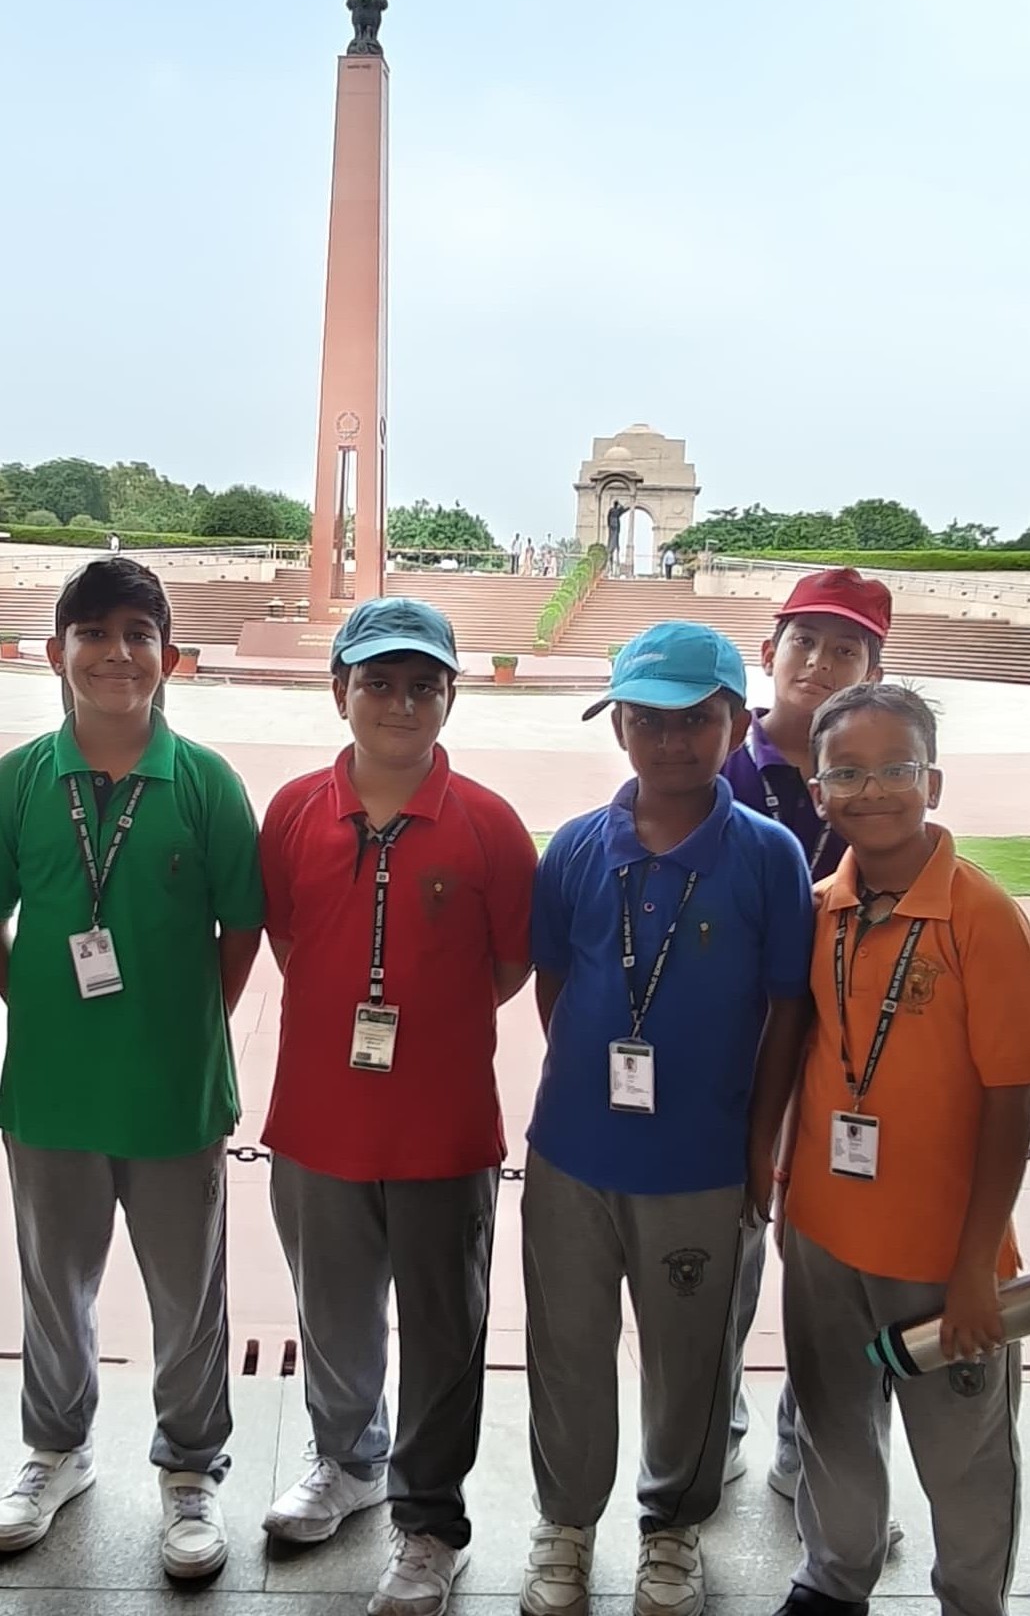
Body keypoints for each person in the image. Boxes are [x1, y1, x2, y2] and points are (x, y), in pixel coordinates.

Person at [519, 623, 814, 1616]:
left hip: (700, 1159)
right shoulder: (572, 847)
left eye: (697, 719)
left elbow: (785, 1012)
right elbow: (557, 990)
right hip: (572, 1151)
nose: (671, 739)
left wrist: (758, 1144)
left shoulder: (768, 856)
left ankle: (670, 1525)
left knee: (688, 1356)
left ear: (736, 723)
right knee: (566, 1346)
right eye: (647, 718)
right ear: (619, 728)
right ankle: (563, 1522)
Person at [260, 597, 538, 1616]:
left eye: (424, 682)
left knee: (443, 1328)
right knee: (332, 1314)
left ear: (450, 697)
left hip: (442, 1124)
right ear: (340, 690)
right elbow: (291, 941)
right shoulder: (293, 809)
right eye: (378, 679)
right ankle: (347, 1460)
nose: (400, 700)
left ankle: (430, 1522)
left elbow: (507, 964)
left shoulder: (492, 825)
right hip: (317, 1119)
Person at [0, 556, 263, 1577]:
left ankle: (190, 1467)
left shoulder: (203, 782)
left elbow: (240, 927)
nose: (118, 654)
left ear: (169, 656)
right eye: (95, 633)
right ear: (59, 651)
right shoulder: (22, 779)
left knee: (188, 1295)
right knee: (51, 1286)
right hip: (50, 1092)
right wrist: (43, 1007)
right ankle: (55, 1451)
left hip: (173, 1093)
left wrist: (186, 1022)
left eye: (138, 634)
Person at [771, 682, 1030, 1616]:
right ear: (817, 786)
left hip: (941, 1252)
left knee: (962, 1450)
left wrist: (975, 1266)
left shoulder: (981, 917)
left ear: (934, 780)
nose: (871, 790)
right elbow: (806, 1058)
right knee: (835, 1423)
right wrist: (786, 1187)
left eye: (895, 770)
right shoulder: (818, 909)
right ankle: (834, 1577)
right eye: (847, 771)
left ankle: (971, 1597)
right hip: (824, 1233)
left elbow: (1013, 1098)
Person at [721, 568, 893, 1495]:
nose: (820, 664)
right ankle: (718, 1427)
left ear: (873, 669)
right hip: (730, 1060)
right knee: (726, 1253)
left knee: (830, 1266)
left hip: (844, 1068)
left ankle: (811, 1443)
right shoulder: (708, 764)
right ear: (769, 651)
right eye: (806, 642)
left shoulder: (876, 788)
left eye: (846, 649)